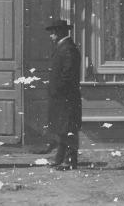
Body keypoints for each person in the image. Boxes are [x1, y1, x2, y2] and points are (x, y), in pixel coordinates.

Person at [45, 19, 82, 170]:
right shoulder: (62, 47)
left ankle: (70, 161)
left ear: (60, 33)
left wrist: (58, 89)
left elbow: (68, 75)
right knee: (62, 128)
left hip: (67, 97)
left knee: (69, 128)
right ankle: (60, 158)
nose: (51, 36)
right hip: (61, 97)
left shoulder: (68, 49)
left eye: (53, 33)